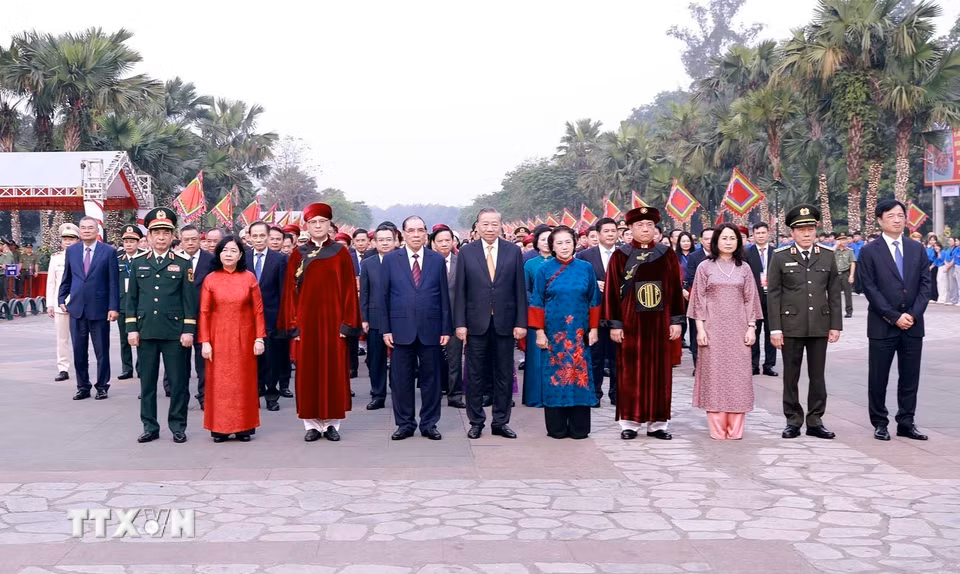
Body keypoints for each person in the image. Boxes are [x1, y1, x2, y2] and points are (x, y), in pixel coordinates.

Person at [277, 202, 361, 442]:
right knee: (308, 372)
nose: (317, 226)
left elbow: (348, 290)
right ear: (307, 226)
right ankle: (311, 424)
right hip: (307, 323)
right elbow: (289, 293)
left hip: (334, 323)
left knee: (334, 371)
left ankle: (333, 423)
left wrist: (347, 324)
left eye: (321, 222)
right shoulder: (298, 253)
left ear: (329, 225)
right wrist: (294, 325)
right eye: (313, 222)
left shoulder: (340, 252)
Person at [602, 207, 684, 440]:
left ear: (655, 228)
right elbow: (610, 293)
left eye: (649, 225)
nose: (645, 229)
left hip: (659, 324)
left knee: (660, 372)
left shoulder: (666, 253)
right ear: (630, 229)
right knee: (630, 372)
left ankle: (658, 424)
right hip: (630, 324)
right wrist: (615, 324)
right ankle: (630, 422)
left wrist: (676, 320)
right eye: (640, 225)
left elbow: (675, 289)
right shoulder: (621, 255)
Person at [858, 199, 931, 441]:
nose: (897, 220)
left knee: (910, 377)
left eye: (901, 215)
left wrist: (912, 315)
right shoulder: (869, 251)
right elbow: (869, 288)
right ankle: (880, 422)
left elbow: (925, 285)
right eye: (891, 216)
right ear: (880, 220)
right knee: (878, 377)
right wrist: (893, 316)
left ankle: (906, 422)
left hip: (913, 325)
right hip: (882, 325)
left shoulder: (917, 249)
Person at [767, 204, 842, 440]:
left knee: (817, 376)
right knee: (791, 375)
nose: (807, 234)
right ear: (792, 233)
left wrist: (836, 325)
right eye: (801, 230)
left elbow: (834, 292)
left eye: (810, 229)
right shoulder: (780, 257)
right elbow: (774, 295)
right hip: (791, 326)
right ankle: (793, 419)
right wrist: (775, 329)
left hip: (819, 324)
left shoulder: (828, 256)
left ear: (816, 230)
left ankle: (815, 419)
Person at [126, 208, 198, 444]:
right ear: (148, 236)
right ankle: (149, 426)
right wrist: (131, 328)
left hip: (174, 333)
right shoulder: (138, 262)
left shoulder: (182, 262)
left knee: (179, 383)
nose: (161, 237)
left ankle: (178, 425)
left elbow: (189, 300)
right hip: (146, 331)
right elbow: (132, 299)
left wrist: (188, 330)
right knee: (147, 383)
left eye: (165, 232)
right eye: (156, 232)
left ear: (172, 235)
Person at [454, 208, 527, 440]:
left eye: (494, 224)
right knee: (474, 375)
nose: (489, 228)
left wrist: (520, 322)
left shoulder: (513, 251)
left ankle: (501, 421)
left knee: (504, 374)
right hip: (476, 324)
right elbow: (461, 291)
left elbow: (519, 290)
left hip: (505, 323)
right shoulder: (467, 252)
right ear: (477, 226)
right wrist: (460, 323)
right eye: (485, 224)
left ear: (501, 226)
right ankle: (476, 422)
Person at [687, 224, 763, 440]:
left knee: (738, 377)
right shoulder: (704, 267)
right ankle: (718, 428)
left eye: (733, 238)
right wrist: (700, 329)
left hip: (739, 330)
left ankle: (736, 428)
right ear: (716, 241)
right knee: (715, 376)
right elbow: (698, 299)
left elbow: (751, 299)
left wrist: (751, 327)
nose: (728, 242)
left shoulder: (744, 269)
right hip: (712, 330)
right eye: (724, 238)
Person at [380, 216, 451, 440]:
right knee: (401, 380)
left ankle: (429, 424)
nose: (416, 234)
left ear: (426, 233)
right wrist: (386, 329)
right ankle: (405, 423)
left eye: (420, 230)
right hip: (400, 329)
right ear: (403, 233)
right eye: (411, 230)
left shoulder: (436, 260)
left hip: (431, 328)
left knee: (432, 380)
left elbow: (444, 298)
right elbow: (383, 297)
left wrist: (445, 329)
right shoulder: (391, 260)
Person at [528, 226, 600, 439]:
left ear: (575, 243)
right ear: (552, 246)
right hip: (554, 333)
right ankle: (557, 427)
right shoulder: (544, 270)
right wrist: (539, 332)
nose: (564, 247)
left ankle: (579, 428)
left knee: (581, 376)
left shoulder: (585, 268)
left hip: (580, 333)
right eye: (558, 243)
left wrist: (594, 329)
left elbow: (594, 299)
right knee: (554, 377)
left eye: (568, 242)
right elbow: (536, 301)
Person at [199, 236, 266, 442]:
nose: (228, 254)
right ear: (219, 254)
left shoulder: (249, 278)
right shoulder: (211, 279)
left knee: (243, 382)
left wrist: (259, 339)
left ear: (240, 255)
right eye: (225, 250)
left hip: (244, 338)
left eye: (233, 250)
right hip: (218, 339)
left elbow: (258, 311)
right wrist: (205, 342)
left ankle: (244, 427)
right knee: (219, 384)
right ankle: (219, 428)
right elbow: (204, 312)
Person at [58, 216, 120, 401]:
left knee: (102, 350)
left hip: (100, 309)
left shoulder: (108, 252)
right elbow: (67, 277)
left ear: (97, 231)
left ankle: (102, 386)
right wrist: (61, 297)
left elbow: (113, 283)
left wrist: (113, 307)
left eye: (90, 228)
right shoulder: (72, 251)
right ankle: (82, 386)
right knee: (78, 351)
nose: (86, 230)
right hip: (76, 308)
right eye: (83, 227)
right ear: (79, 231)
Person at [244, 221, 289, 410]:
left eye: (262, 236)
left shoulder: (279, 259)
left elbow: (283, 292)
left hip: (271, 317)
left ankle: (272, 395)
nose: (259, 239)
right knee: (252, 360)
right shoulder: (242, 258)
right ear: (249, 238)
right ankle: (254, 393)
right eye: (255, 236)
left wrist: (282, 319)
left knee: (271, 359)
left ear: (268, 237)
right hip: (247, 318)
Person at [577, 217, 619, 407]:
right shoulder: (586, 256)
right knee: (595, 356)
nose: (610, 234)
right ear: (598, 234)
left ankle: (617, 393)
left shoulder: (625, 253)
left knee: (617, 357)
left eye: (613, 231)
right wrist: (594, 283)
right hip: (595, 312)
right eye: (606, 231)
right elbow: (579, 281)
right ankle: (594, 393)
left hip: (618, 314)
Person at [360, 225, 396, 410]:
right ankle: (378, 395)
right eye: (380, 239)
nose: (384, 243)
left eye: (388, 239)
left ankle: (398, 393)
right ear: (374, 242)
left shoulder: (403, 260)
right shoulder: (368, 263)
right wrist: (364, 318)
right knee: (376, 360)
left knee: (399, 361)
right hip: (374, 318)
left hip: (399, 318)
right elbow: (364, 293)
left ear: (395, 240)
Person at [431, 224, 466, 408]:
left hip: (454, 318)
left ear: (454, 241)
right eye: (440, 241)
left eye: (448, 240)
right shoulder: (426, 262)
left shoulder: (461, 261)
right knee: (433, 360)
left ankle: (455, 395)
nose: (444, 244)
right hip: (431, 319)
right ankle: (434, 393)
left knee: (455, 359)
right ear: (433, 243)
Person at [522, 224, 553, 407]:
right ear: (536, 242)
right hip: (536, 313)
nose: (546, 243)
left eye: (550, 240)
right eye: (543, 239)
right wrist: (538, 301)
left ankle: (554, 395)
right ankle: (535, 396)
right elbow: (525, 289)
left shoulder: (563, 262)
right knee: (536, 358)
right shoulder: (530, 264)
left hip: (559, 314)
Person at [47, 223, 79, 382]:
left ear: (77, 240)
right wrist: (50, 304)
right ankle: (63, 368)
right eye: (65, 239)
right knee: (61, 339)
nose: (68, 241)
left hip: (79, 303)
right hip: (60, 305)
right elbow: (51, 282)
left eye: (71, 239)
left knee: (80, 338)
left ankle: (81, 366)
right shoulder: (56, 258)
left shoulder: (82, 256)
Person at [745, 222, 778, 376]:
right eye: (758, 233)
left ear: (768, 234)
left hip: (773, 298)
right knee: (754, 332)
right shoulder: (746, 253)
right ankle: (753, 365)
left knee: (772, 331)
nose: (761, 236)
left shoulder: (776, 253)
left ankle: (769, 365)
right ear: (753, 235)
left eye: (763, 233)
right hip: (754, 298)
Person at [117, 225, 146, 380]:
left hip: (140, 306)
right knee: (124, 339)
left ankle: (141, 368)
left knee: (141, 339)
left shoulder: (144, 258)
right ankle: (126, 368)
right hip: (123, 305)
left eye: (132, 241)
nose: (128, 244)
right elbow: (113, 285)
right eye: (126, 241)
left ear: (138, 242)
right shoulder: (117, 260)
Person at [684, 228, 715, 372]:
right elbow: (690, 277)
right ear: (701, 241)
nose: (709, 241)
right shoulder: (694, 256)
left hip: (717, 304)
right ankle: (698, 366)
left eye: (712, 238)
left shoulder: (723, 256)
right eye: (706, 239)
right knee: (696, 333)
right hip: (698, 299)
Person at [834, 232, 857, 318]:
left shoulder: (849, 251)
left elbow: (852, 263)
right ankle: (836, 312)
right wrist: (836, 246)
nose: (843, 241)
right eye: (840, 240)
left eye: (844, 240)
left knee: (848, 294)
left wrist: (851, 276)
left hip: (845, 273)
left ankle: (849, 311)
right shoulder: (833, 250)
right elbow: (828, 255)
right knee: (835, 294)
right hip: (835, 274)